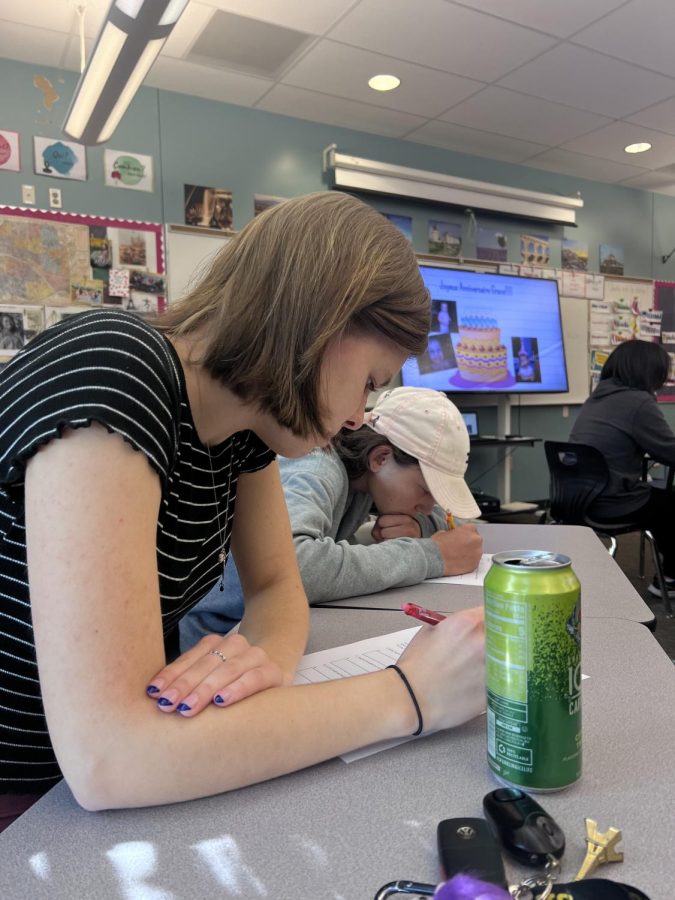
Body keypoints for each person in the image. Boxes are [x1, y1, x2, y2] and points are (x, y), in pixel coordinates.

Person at [0, 191, 485, 832]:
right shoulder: (117, 369)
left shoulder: (245, 433)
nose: (360, 416)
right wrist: (411, 694)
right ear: (322, 321)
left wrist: (251, 666)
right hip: (31, 797)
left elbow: (280, 588)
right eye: (371, 379)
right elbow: (108, 756)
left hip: (83, 793)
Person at [180, 387, 483, 646]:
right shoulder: (316, 466)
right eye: (425, 490)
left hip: (261, 628)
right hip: (217, 635)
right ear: (380, 458)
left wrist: (420, 526)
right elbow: (295, 564)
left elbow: (447, 519)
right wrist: (430, 555)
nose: (430, 505)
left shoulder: (367, 479)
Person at [569, 339, 675, 597]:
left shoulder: (597, 397)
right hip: (611, 502)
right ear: (649, 371)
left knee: (661, 500)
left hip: (575, 500)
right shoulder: (638, 401)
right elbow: (669, 450)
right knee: (670, 505)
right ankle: (669, 580)